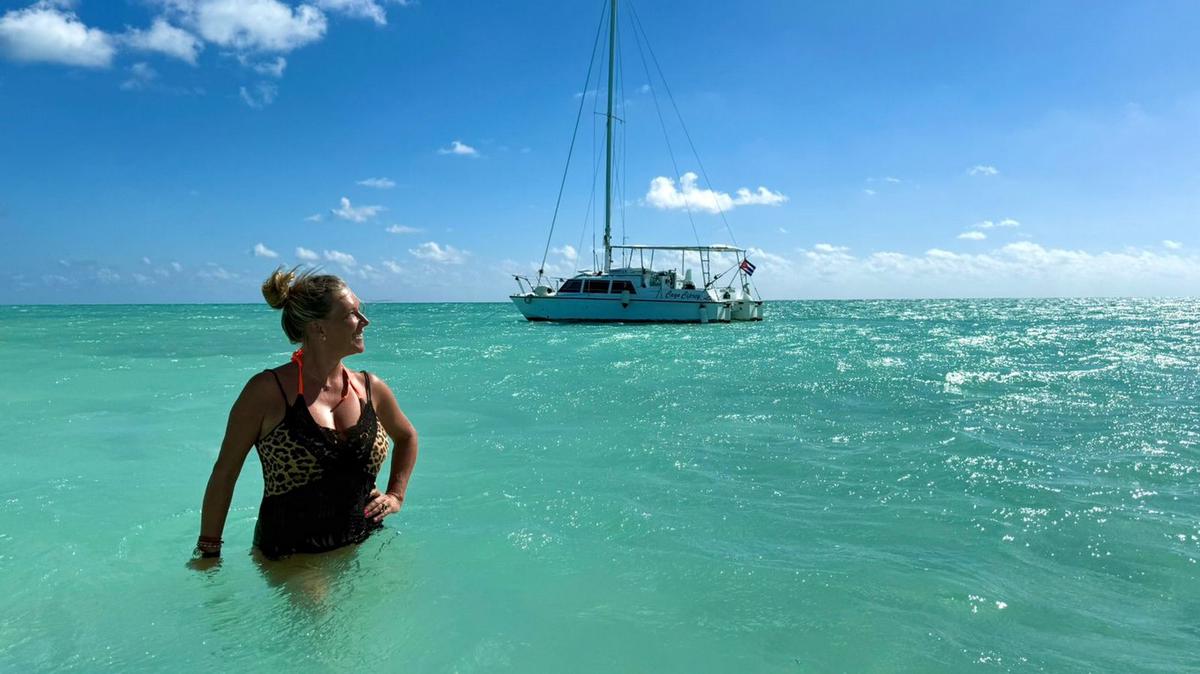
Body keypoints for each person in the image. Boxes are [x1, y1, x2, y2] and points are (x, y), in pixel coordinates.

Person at [194, 267, 418, 562]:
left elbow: (407, 436)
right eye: (352, 314)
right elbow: (225, 472)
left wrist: (396, 496)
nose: (365, 322)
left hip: (364, 543)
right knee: (320, 611)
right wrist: (209, 552)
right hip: (292, 554)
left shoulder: (370, 387)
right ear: (318, 328)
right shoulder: (267, 391)